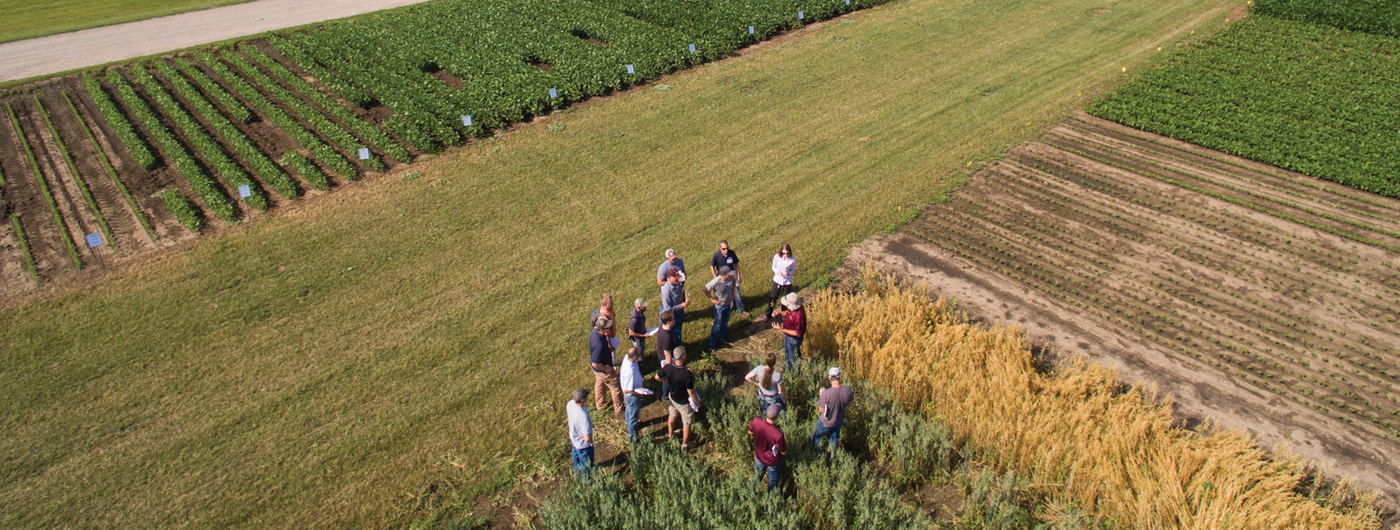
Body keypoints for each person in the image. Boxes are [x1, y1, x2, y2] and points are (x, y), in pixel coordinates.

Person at [656, 346, 699, 449]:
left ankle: (670, 434)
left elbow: (657, 377)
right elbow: (691, 391)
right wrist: (697, 402)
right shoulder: (686, 373)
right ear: (683, 356)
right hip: (684, 402)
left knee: (672, 415)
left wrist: (668, 381)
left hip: (672, 398)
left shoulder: (668, 367)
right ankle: (685, 444)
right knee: (686, 423)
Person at [813, 367, 854, 451]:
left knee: (816, 437)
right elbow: (850, 405)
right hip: (838, 421)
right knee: (834, 440)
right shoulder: (847, 390)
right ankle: (831, 458)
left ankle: (815, 455)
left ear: (829, 378)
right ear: (840, 377)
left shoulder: (826, 394)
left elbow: (821, 410)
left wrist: (821, 395)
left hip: (825, 422)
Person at [590, 317, 624, 415]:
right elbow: (595, 363)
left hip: (597, 372)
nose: (609, 328)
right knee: (615, 388)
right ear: (601, 329)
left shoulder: (594, 334)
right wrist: (606, 368)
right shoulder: (599, 345)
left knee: (600, 384)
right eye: (607, 328)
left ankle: (600, 406)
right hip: (603, 369)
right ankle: (619, 409)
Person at [749, 403, 786, 491]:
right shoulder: (778, 434)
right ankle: (770, 500)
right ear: (777, 417)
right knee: (773, 483)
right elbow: (783, 451)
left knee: (757, 477)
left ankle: (750, 493)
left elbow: (750, 432)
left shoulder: (756, 421)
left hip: (759, 457)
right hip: (773, 462)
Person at [704, 266, 737, 352]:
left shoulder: (731, 277)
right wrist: (712, 299)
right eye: (728, 274)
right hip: (720, 306)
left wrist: (733, 292)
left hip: (728, 304)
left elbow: (734, 280)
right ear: (724, 275)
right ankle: (712, 343)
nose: (730, 275)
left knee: (725, 322)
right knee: (717, 325)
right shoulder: (716, 281)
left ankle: (723, 337)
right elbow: (705, 289)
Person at [771, 293, 807, 368]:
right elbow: (789, 312)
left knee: (793, 358)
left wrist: (781, 329)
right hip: (788, 336)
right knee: (787, 352)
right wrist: (780, 313)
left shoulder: (799, 317)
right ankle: (787, 367)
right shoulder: (795, 308)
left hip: (794, 340)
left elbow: (798, 333)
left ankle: (794, 373)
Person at [710, 240, 746, 316]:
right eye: (724, 249)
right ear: (720, 248)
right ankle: (723, 312)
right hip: (722, 278)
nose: (726, 250)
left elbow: (736, 265)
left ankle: (741, 310)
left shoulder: (731, 253)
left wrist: (738, 275)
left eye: (727, 248)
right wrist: (715, 277)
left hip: (732, 276)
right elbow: (712, 266)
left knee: (737, 294)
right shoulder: (716, 256)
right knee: (723, 296)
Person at [619, 346, 645, 441]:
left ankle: (628, 425)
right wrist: (641, 392)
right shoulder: (629, 372)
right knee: (633, 416)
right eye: (638, 355)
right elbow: (627, 390)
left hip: (631, 395)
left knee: (629, 412)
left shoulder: (627, 358)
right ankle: (633, 438)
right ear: (634, 357)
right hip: (632, 396)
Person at [764, 243, 795, 321]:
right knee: (773, 297)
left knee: (785, 299)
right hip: (778, 280)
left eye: (787, 253)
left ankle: (783, 315)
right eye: (784, 253)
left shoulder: (792, 259)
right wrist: (778, 272)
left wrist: (789, 273)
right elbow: (773, 267)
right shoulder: (777, 257)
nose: (785, 255)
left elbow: (793, 269)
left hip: (787, 281)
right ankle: (768, 314)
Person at [566, 388, 594, 475]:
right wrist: (590, 439)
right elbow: (587, 438)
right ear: (582, 400)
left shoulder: (570, 404)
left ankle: (577, 476)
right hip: (584, 446)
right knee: (586, 466)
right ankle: (587, 482)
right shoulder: (583, 416)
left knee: (576, 461)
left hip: (574, 440)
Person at [660, 268, 689, 343]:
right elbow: (667, 309)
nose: (677, 279)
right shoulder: (666, 291)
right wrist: (681, 306)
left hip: (679, 313)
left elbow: (680, 292)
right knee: (675, 335)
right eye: (675, 278)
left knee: (678, 332)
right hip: (673, 316)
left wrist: (685, 297)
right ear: (669, 278)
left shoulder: (676, 283)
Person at [656, 310, 678, 399]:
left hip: (663, 356)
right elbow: (667, 354)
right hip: (666, 359)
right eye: (673, 319)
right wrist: (669, 368)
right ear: (669, 322)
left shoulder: (662, 327)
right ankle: (665, 395)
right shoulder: (666, 337)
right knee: (667, 377)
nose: (675, 320)